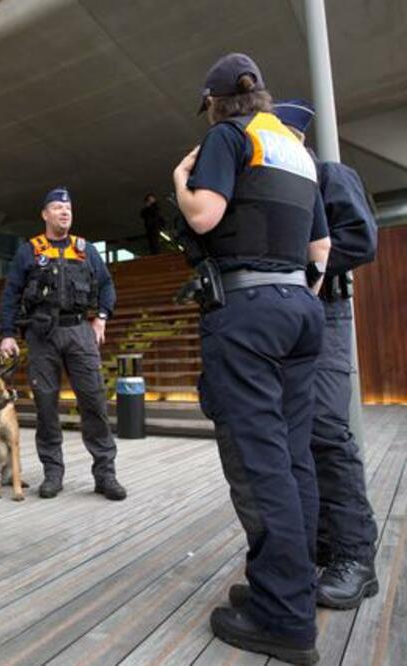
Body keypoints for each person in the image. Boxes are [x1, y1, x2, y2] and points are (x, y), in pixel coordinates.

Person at [173, 53, 331, 665]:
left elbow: (206, 214)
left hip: (248, 314)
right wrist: (291, 294)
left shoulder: (226, 136)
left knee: (260, 464)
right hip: (300, 309)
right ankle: (289, 585)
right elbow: (321, 247)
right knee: (294, 461)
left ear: (216, 102)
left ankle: (283, 619)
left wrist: (178, 179)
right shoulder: (296, 150)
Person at [274, 98, 380, 609]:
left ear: (294, 138)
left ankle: (356, 557)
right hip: (285, 316)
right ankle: (320, 540)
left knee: (325, 429)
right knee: (295, 430)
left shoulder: (329, 174)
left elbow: (361, 239)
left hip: (325, 310)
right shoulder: (277, 187)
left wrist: (308, 269)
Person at [0, 187, 126, 502]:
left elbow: (107, 285)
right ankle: (53, 474)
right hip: (42, 337)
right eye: (57, 207)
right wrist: (7, 333)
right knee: (45, 407)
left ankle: (105, 475)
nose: (64, 212)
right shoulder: (30, 250)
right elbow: (11, 293)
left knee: (94, 403)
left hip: (80, 331)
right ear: (45, 214)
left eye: (68, 208)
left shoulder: (86, 250)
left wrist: (102, 318)